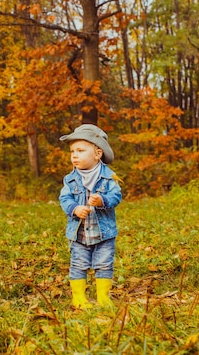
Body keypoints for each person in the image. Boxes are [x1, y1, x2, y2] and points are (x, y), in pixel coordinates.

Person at [59, 124, 122, 309]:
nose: (74, 155)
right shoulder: (70, 179)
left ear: (97, 154)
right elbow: (64, 198)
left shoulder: (109, 177)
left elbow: (116, 195)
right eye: (72, 151)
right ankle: (79, 298)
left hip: (103, 233)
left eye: (80, 150)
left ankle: (103, 297)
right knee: (78, 264)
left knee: (104, 264)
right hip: (79, 234)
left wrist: (103, 200)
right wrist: (74, 208)